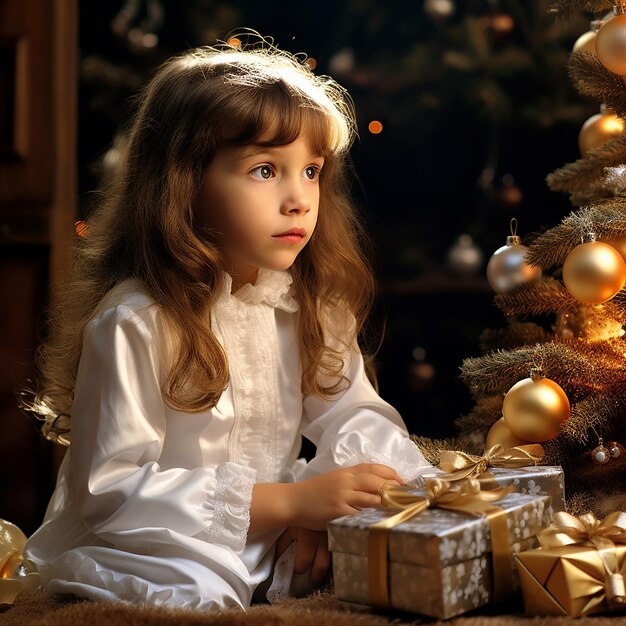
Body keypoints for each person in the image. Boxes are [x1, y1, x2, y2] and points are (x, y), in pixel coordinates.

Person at [23, 33, 432, 611]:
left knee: (397, 552)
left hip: (276, 529)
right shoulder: (136, 320)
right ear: (183, 183)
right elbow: (109, 492)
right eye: (266, 170)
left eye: (311, 171)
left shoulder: (308, 303)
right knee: (193, 592)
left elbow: (353, 412)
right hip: (159, 540)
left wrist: (336, 500)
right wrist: (291, 505)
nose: (299, 200)